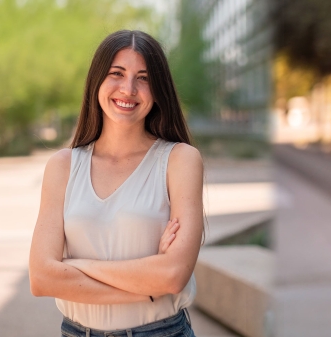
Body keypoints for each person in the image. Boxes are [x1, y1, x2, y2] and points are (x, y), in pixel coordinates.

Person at [29, 30, 203, 337]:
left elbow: (174, 276)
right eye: (116, 73)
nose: (129, 89)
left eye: (144, 78)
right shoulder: (63, 166)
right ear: (97, 81)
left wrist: (75, 265)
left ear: (158, 89)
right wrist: (148, 284)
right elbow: (43, 278)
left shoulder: (180, 161)